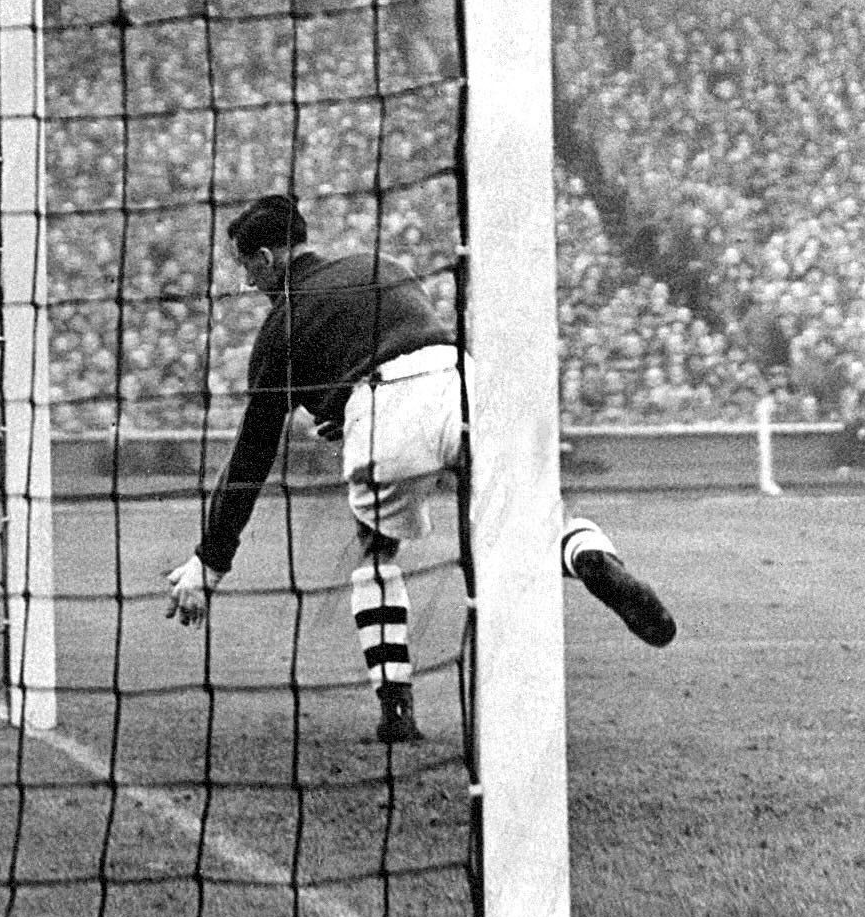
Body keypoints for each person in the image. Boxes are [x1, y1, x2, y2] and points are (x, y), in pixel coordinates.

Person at [166, 193, 678, 746]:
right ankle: (589, 555)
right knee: (527, 520)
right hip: (463, 383)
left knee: (377, 550)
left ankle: (396, 707)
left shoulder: (280, 325)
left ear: (265, 259)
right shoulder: (382, 265)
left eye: (247, 267)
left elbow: (251, 456)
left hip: (384, 407)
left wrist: (211, 560)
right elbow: (397, 339)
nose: (249, 282)